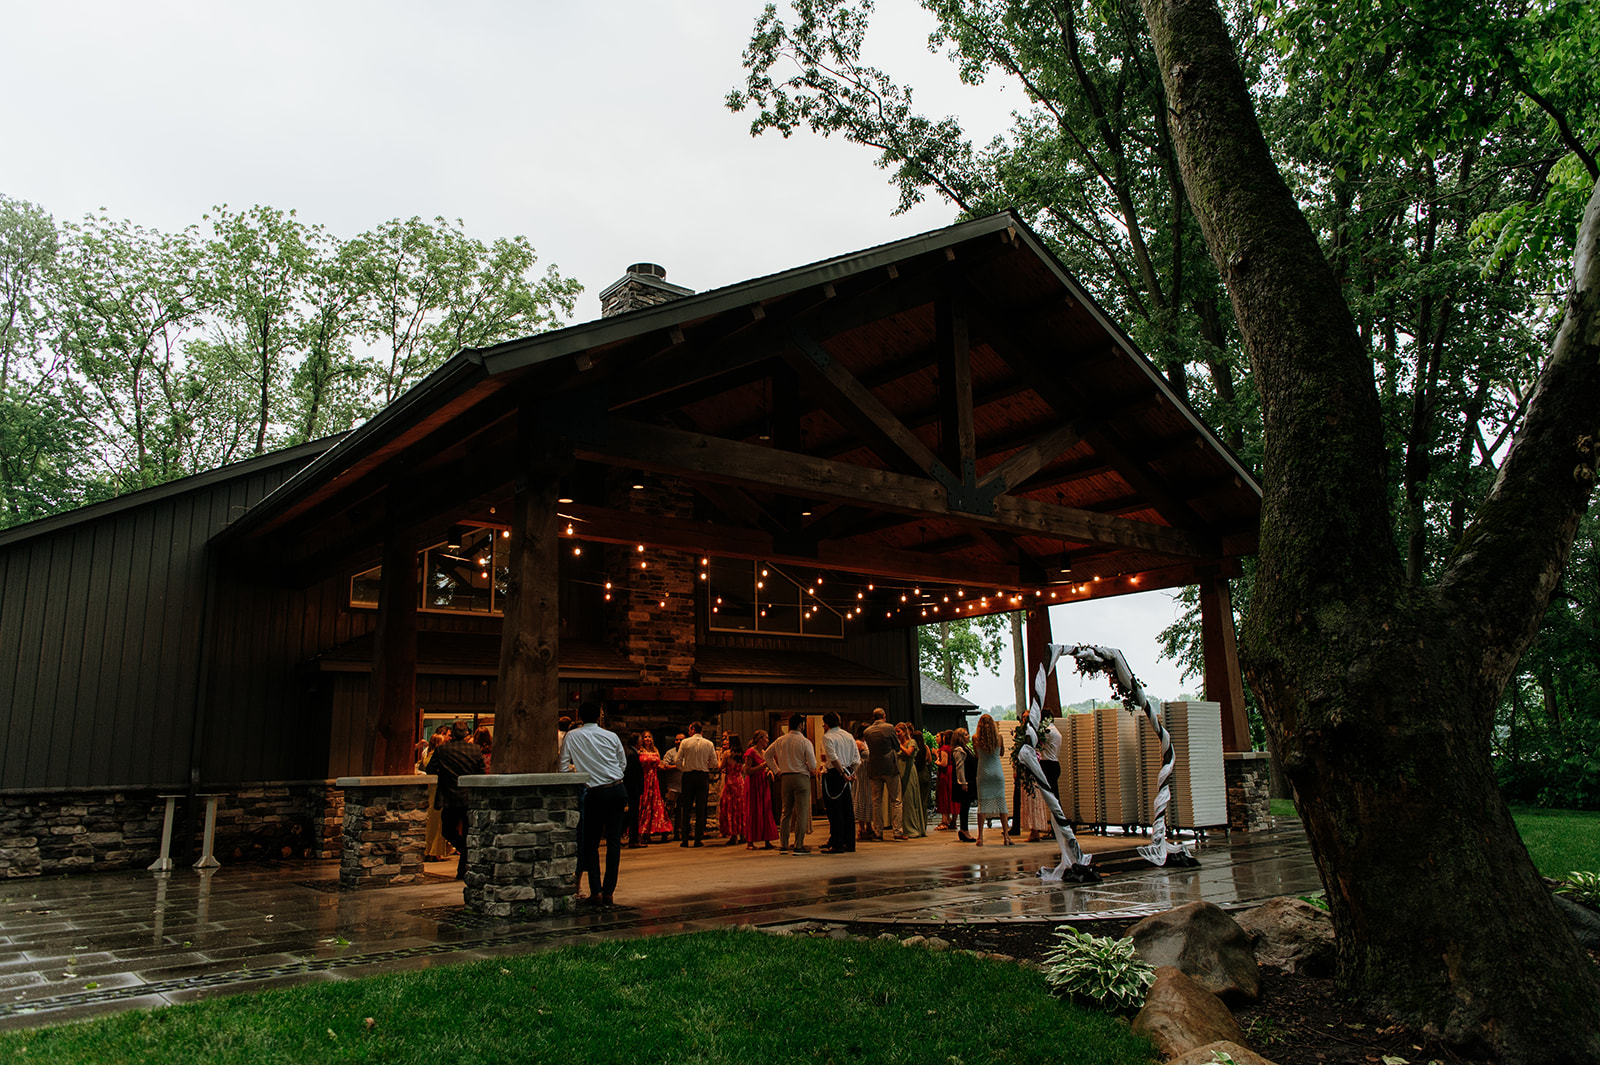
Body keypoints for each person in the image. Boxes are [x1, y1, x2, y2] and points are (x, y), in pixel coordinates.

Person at [560, 700, 628, 907]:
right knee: (614, 842)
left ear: (580, 716)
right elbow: (622, 764)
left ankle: (596, 891)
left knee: (591, 842)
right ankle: (609, 892)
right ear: (599, 716)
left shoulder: (572, 736)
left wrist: (581, 771)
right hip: (617, 788)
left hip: (595, 792)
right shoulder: (611, 736)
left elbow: (562, 768)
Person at [426, 721, 485, 879]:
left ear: (452, 733)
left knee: (447, 830)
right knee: (467, 832)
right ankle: (463, 866)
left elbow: (429, 769)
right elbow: (481, 771)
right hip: (469, 797)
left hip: (449, 796)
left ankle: (462, 857)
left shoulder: (442, 750)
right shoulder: (475, 750)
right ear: (466, 733)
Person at [765, 713, 818, 853]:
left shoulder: (780, 740)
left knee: (785, 811)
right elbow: (812, 763)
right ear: (801, 725)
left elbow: (767, 755)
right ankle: (798, 844)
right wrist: (808, 767)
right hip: (801, 777)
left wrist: (776, 770)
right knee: (801, 812)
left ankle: (783, 844)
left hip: (786, 777)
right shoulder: (805, 742)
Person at [819, 711, 859, 853]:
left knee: (834, 810)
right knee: (847, 809)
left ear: (827, 724)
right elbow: (856, 758)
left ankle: (837, 844)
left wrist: (842, 774)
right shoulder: (848, 736)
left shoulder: (828, 737)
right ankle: (850, 843)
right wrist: (851, 772)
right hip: (848, 770)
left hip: (835, 774)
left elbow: (833, 758)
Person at [973, 713, 1014, 847]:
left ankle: (980, 837)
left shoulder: (975, 738)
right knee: (1002, 804)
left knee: (982, 805)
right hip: (997, 773)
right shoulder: (999, 738)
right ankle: (1006, 837)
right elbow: (1001, 753)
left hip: (983, 773)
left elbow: (977, 755)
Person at [862, 707, 903, 840]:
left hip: (874, 767)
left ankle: (878, 832)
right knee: (896, 799)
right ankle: (897, 831)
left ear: (873, 717)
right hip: (889, 766)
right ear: (884, 716)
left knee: (876, 801)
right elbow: (897, 746)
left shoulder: (867, 731)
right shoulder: (889, 728)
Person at [676, 722, 717, 847]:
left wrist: (684, 768)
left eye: (689, 729)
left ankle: (685, 838)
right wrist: (705, 766)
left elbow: (678, 760)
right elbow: (714, 763)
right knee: (701, 808)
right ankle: (698, 838)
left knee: (686, 807)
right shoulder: (709, 744)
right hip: (702, 776)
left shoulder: (685, 742)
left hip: (688, 775)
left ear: (693, 730)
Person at [635, 731, 674, 844]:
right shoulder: (640, 751)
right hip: (644, 779)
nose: (647, 739)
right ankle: (643, 831)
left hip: (654, 780)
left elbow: (659, 765)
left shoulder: (655, 750)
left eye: (649, 737)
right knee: (645, 804)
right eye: (645, 737)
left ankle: (663, 830)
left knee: (656, 804)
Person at [744, 731, 779, 849]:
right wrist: (762, 766)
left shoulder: (765, 753)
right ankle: (750, 841)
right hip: (753, 784)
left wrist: (769, 771)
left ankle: (767, 840)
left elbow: (766, 767)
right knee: (753, 810)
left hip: (763, 783)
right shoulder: (751, 752)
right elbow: (747, 770)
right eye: (766, 738)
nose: (767, 741)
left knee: (766, 810)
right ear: (759, 739)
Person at [897, 722, 927, 838]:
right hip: (900, 770)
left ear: (904, 732)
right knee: (902, 800)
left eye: (898, 732)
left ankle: (912, 828)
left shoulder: (912, 742)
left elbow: (909, 753)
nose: (897, 734)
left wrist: (899, 745)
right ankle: (903, 827)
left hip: (909, 771)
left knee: (910, 798)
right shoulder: (899, 743)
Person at [717, 733, 747, 845]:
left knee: (730, 808)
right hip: (739, 782)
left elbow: (720, 767)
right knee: (740, 808)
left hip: (730, 782)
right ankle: (743, 834)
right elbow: (743, 769)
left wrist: (717, 757)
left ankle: (733, 835)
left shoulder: (727, 754)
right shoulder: (741, 754)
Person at [951, 727, 976, 843]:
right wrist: (963, 783)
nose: (968, 736)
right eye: (965, 735)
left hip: (969, 780)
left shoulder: (966, 748)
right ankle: (964, 829)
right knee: (965, 806)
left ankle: (964, 829)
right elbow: (959, 767)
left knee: (966, 806)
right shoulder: (959, 750)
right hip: (964, 782)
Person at [661, 732, 685, 840]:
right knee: (668, 809)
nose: (678, 742)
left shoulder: (687, 752)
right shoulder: (670, 753)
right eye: (676, 740)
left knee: (681, 811)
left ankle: (678, 832)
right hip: (672, 786)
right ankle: (665, 832)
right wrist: (677, 766)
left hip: (684, 785)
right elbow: (664, 766)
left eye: (680, 740)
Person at [852, 724, 874, 841]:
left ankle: (869, 825)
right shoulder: (858, 743)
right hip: (861, 772)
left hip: (868, 772)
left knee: (868, 797)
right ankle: (861, 827)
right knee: (861, 796)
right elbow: (855, 758)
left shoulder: (866, 743)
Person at [623, 733, 644, 847]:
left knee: (632, 813)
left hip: (631, 787)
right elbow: (631, 774)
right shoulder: (632, 755)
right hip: (632, 788)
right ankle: (633, 839)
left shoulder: (628, 752)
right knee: (633, 813)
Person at [935, 731, 955, 830]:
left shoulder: (945, 748)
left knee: (944, 796)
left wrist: (937, 761)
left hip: (946, 773)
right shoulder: (954, 748)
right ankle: (953, 821)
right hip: (953, 772)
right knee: (952, 796)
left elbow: (944, 763)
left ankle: (945, 821)